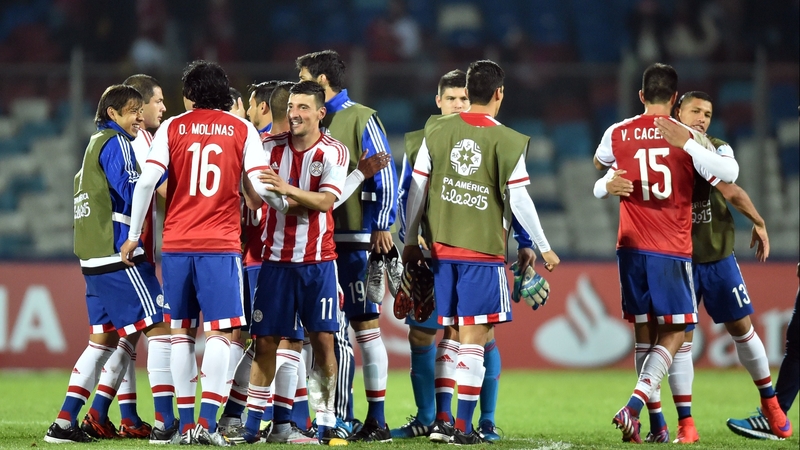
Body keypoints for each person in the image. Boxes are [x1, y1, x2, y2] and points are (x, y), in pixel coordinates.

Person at [595, 90, 791, 442]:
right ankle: (685, 424)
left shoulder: (713, 148)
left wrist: (758, 222)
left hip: (714, 256)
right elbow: (606, 173)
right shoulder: (658, 148)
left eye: (708, 113)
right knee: (678, 341)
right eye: (695, 111)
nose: (702, 118)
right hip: (673, 258)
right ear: (676, 110)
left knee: (742, 328)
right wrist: (604, 185)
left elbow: (731, 187)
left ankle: (772, 406)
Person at [121, 60, 287, 446]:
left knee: (181, 332)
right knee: (223, 332)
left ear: (189, 95)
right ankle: (208, 425)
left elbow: (147, 181)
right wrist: (282, 203)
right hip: (220, 244)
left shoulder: (172, 127)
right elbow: (261, 186)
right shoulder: (241, 128)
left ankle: (182, 426)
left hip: (177, 244)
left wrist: (133, 235)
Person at [402, 59, 560, 445]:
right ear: (499, 93)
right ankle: (463, 426)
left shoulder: (434, 131)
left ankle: (442, 421)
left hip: (439, 252)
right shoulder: (506, 139)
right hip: (482, 254)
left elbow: (416, 189)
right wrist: (543, 246)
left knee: (451, 336)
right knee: (477, 336)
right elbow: (520, 199)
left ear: (468, 92)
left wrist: (409, 239)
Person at [591, 63, 740, 444]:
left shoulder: (617, 131)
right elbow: (729, 174)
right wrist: (688, 143)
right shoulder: (687, 136)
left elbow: (599, 165)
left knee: (645, 334)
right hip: (670, 248)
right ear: (675, 99)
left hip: (629, 246)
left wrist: (609, 182)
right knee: (677, 331)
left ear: (640, 95)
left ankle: (656, 425)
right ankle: (634, 406)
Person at [223, 80, 349, 446]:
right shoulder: (267, 147)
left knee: (323, 342)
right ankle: (251, 428)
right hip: (275, 262)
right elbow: (258, 197)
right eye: (292, 106)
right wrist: (281, 194)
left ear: (320, 113)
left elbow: (326, 202)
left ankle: (325, 423)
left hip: (318, 263)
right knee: (265, 343)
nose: (294, 113)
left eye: (303, 107)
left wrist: (287, 189)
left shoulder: (334, 152)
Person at [44, 85, 172, 444]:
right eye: (132, 111)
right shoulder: (117, 144)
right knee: (159, 328)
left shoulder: (91, 147)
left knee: (102, 341)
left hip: (92, 259)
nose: (137, 118)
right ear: (113, 114)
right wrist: (163, 181)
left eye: (138, 111)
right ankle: (167, 421)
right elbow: (133, 189)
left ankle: (65, 423)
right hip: (119, 256)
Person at [392, 69, 509, 442]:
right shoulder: (420, 142)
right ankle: (430, 417)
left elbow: (509, 199)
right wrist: (411, 241)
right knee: (422, 335)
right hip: (430, 255)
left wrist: (523, 243)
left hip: (473, 251)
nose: (459, 105)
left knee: (478, 334)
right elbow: (405, 197)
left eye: (464, 98)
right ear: (438, 101)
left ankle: (484, 420)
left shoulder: (491, 138)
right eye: (452, 99)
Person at [296, 49, 398, 442]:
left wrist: (382, 225)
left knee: (365, 327)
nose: (300, 87)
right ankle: (330, 414)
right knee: (320, 332)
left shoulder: (360, 116)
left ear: (322, 81)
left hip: (354, 238)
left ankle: (376, 418)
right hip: (316, 239)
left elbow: (383, 174)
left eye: (305, 78)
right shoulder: (308, 119)